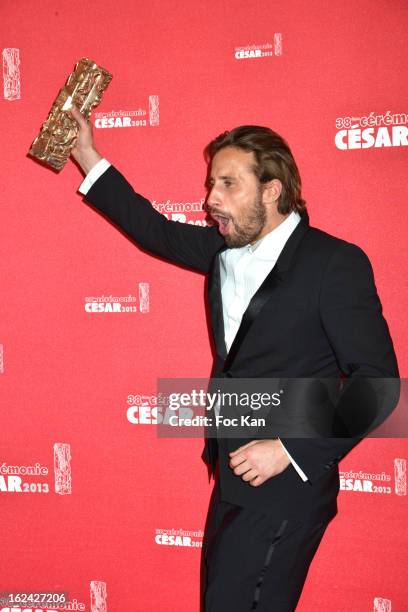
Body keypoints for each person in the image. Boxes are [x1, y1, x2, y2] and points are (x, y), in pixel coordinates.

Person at [69, 106, 399, 611]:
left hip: (287, 479)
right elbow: (151, 228)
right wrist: (87, 155)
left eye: (228, 184)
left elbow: (377, 383)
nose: (210, 200)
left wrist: (288, 449)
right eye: (210, 184)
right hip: (232, 471)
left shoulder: (333, 262)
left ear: (272, 190)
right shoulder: (221, 252)